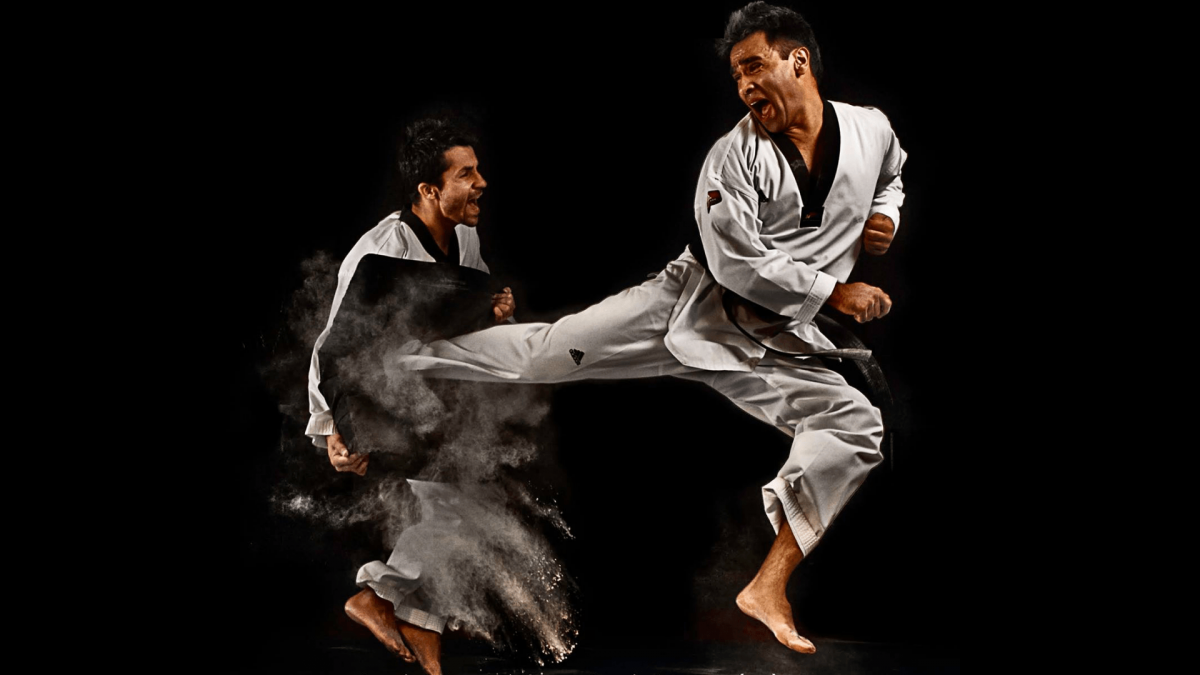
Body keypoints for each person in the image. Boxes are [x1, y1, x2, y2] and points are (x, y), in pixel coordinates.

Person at [391, 1, 905, 656]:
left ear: (797, 60)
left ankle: (768, 586)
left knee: (855, 426)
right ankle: (409, 356)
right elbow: (736, 262)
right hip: (687, 306)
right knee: (545, 352)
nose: (744, 86)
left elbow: (891, 175)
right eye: (736, 76)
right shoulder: (733, 157)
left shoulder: (870, 130)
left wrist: (886, 216)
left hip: (771, 342)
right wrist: (835, 292)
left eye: (754, 66)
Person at [305, 116, 514, 675]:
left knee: (463, 499)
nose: (481, 183)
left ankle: (420, 625)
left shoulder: (465, 235)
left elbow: (461, 305)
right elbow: (332, 345)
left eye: (478, 170)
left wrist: (494, 310)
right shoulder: (379, 249)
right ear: (429, 189)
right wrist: (332, 429)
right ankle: (377, 597)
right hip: (372, 395)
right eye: (465, 174)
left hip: (426, 393)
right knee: (463, 494)